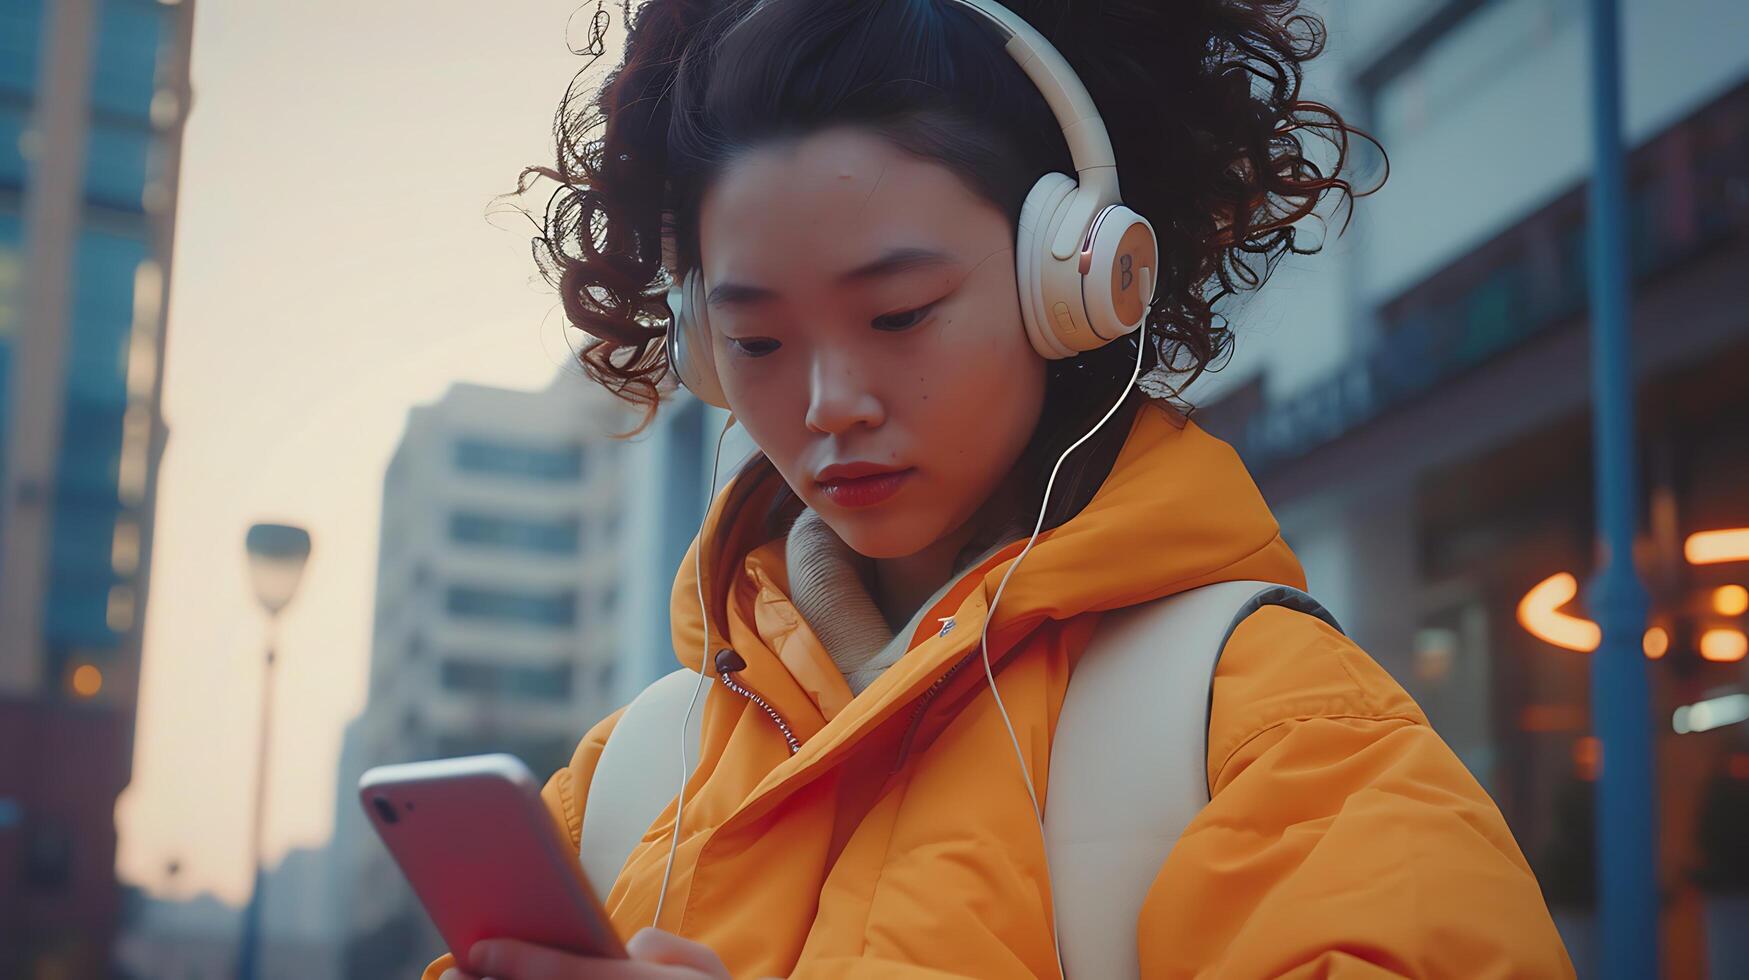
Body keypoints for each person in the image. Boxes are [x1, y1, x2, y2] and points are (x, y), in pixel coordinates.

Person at [430, 0, 1574, 976]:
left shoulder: (1275, 725)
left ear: (1076, 278)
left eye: (898, 314)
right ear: (700, 347)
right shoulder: (627, 779)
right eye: (758, 340)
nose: (831, 402)